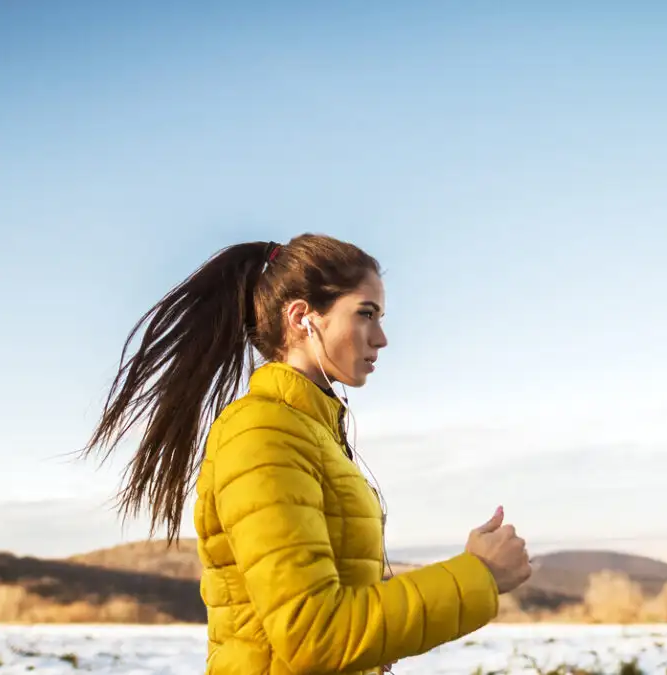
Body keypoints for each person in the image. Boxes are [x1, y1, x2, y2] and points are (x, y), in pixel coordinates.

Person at [82, 233, 532, 674]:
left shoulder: (309, 429)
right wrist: (480, 575)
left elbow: (327, 623)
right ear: (302, 317)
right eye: (366, 314)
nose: (381, 338)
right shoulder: (263, 433)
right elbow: (312, 635)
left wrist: (375, 642)